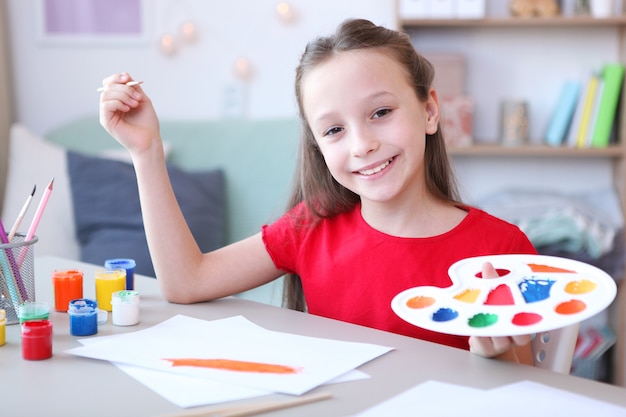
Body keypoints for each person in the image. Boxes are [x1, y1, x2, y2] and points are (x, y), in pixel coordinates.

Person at [99, 18, 536, 363]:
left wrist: (494, 357)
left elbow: (528, 394)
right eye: (334, 130)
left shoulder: (503, 249)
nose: (362, 144)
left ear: (429, 111)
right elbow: (186, 281)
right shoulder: (310, 227)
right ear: (317, 145)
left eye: (381, 111)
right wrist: (147, 151)